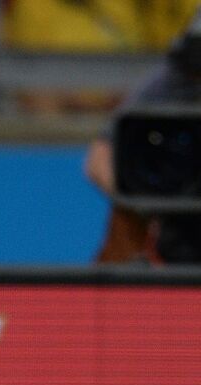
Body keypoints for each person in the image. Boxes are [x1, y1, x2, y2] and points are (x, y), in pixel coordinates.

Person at [86, 9, 201, 264]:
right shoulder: (176, 77)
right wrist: (145, 203)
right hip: (175, 214)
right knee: (126, 206)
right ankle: (122, 297)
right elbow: (97, 161)